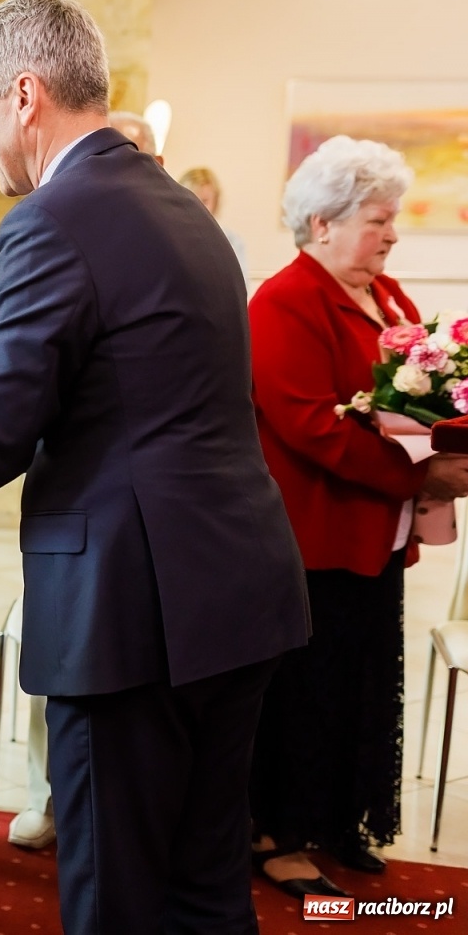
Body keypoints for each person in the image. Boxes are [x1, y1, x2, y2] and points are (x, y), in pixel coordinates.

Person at [0, 0, 312, 935]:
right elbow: (127, 390)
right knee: (206, 885)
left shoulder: (52, 219)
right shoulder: (180, 209)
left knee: (113, 894)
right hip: (236, 590)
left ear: (25, 95)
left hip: (134, 611)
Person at [247, 135, 468, 899]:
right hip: (313, 534)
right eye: (378, 220)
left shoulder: (392, 296)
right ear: (322, 224)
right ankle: (279, 834)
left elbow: (429, 390)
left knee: (362, 684)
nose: (392, 235)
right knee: (306, 691)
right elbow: (311, 426)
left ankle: (342, 820)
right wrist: (424, 475)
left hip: (376, 535)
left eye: (393, 219)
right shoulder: (282, 301)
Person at [180, 166, 250, 281]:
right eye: (192, 200)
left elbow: (241, 286)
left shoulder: (232, 242)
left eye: (205, 201)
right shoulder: (170, 239)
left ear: (215, 202)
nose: (199, 207)